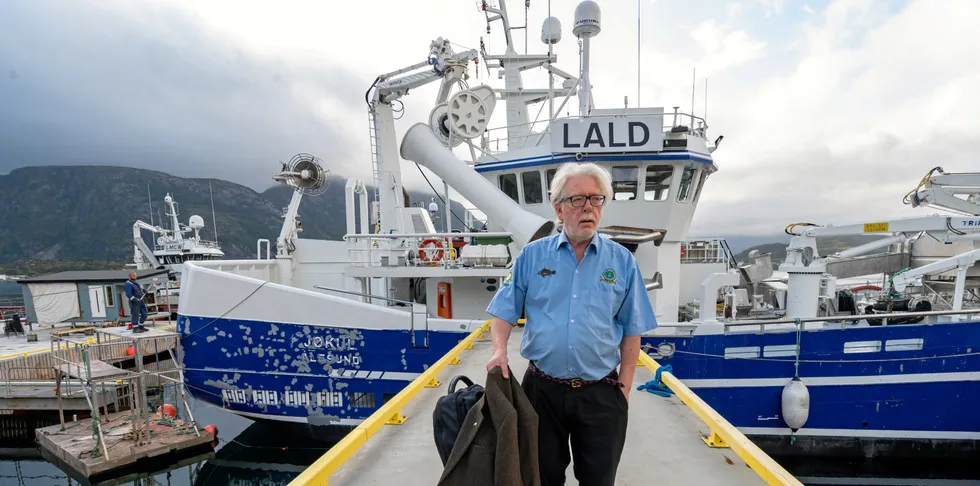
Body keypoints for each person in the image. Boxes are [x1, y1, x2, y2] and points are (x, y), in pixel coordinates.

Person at [485, 162, 658, 486]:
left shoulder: (622, 261)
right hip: (541, 392)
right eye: (578, 199)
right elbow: (504, 311)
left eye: (596, 198)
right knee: (541, 477)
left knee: (599, 480)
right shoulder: (532, 257)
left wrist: (623, 391)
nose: (588, 207)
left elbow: (632, 330)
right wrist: (499, 351)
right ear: (558, 208)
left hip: (601, 394)